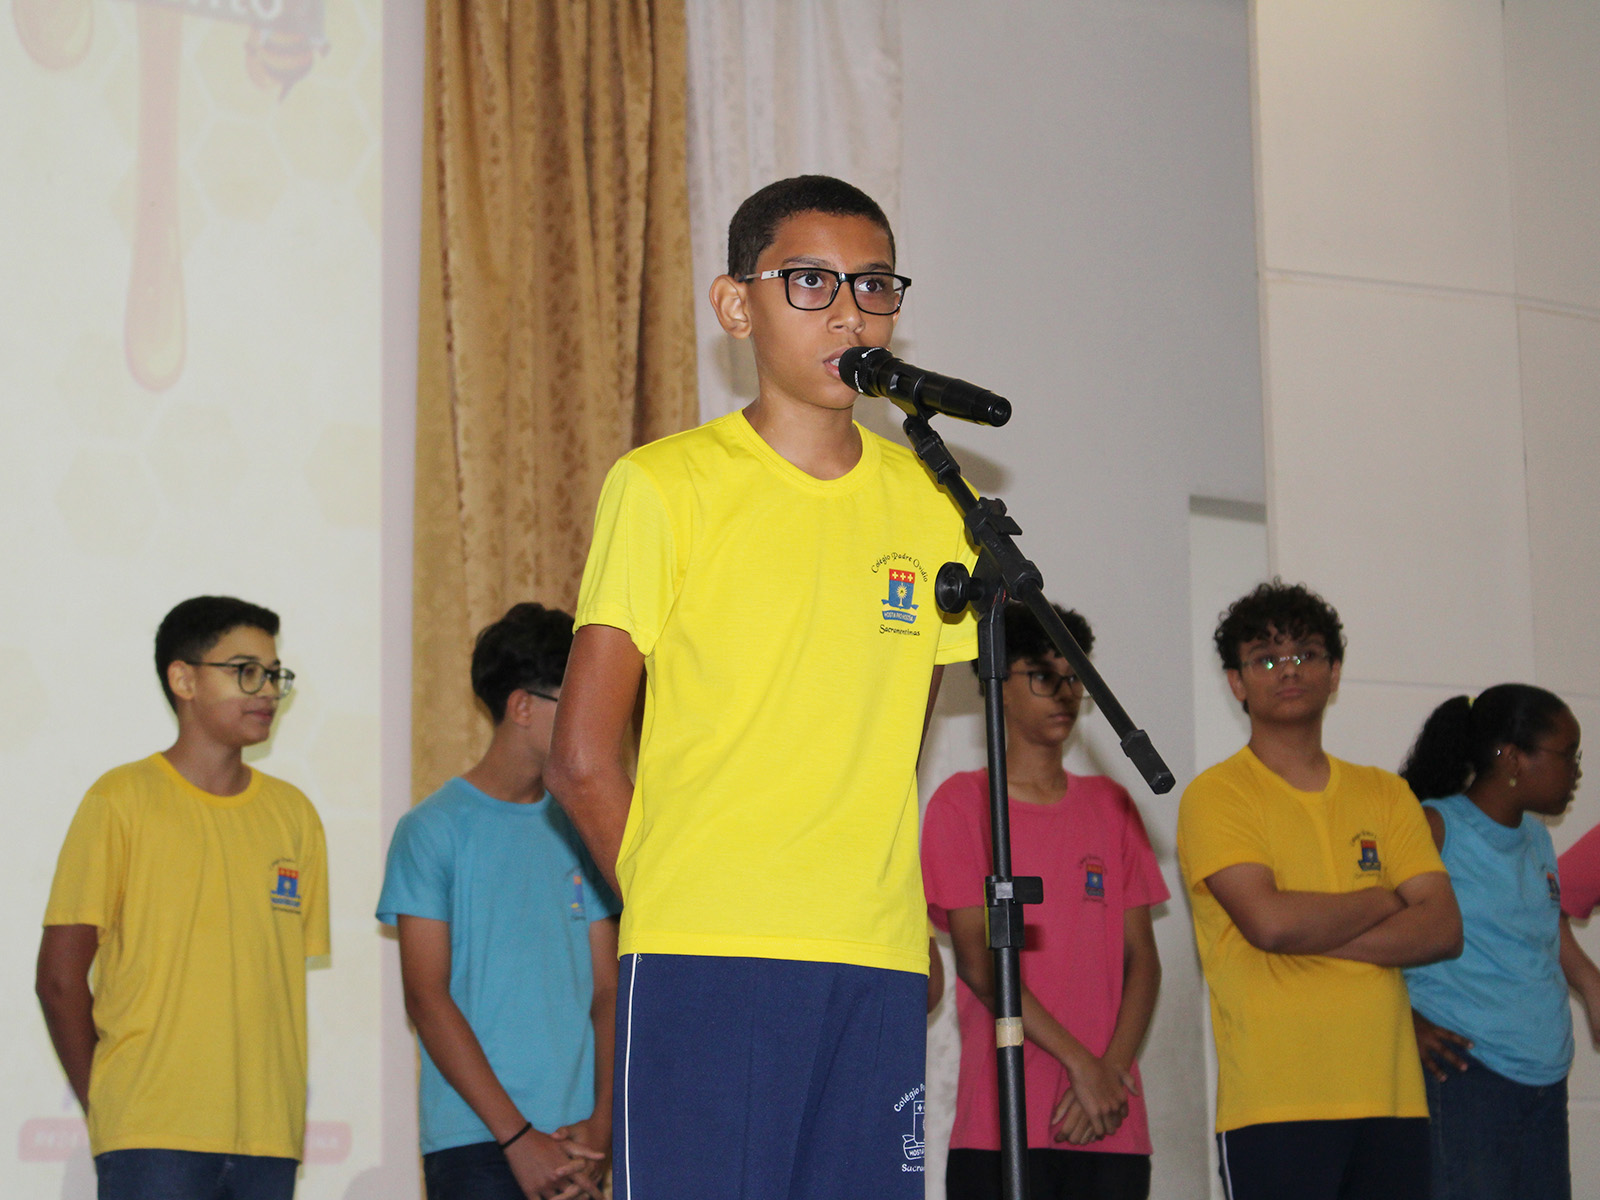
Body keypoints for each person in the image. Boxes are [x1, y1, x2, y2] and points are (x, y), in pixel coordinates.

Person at [547, 174, 977, 1200]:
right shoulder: (664, 485)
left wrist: (887, 915)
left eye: (874, 285)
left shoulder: (933, 506)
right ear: (736, 305)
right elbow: (581, 758)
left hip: (874, 954)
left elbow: (898, 740)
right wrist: (682, 906)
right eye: (811, 281)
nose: (849, 311)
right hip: (707, 950)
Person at [1176, 580, 1462, 1200]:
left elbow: (1443, 929)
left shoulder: (1386, 793)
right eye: (1266, 659)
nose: (1288, 670)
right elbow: (1271, 924)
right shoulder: (1217, 796)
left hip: (1392, 1100)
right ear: (1236, 682)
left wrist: (1309, 930)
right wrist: (1386, 899)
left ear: (1333, 673)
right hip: (1275, 1106)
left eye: (1306, 654)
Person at [36, 596, 328, 1200]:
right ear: (183, 679)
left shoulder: (294, 815)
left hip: (268, 1140)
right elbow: (59, 980)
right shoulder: (120, 800)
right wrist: (109, 1105)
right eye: (246, 671)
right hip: (151, 1138)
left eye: (275, 675)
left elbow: (268, 984)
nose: (267, 691)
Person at [923, 601, 1165, 1200]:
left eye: (1072, 676)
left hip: (1110, 1119)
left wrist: (1108, 1074)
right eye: (1041, 674)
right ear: (998, 684)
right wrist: (1082, 1065)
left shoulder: (1112, 804)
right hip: (1000, 1124)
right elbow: (979, 964)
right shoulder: (962, 804)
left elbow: (1144, 961)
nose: (1063, 692)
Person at [377, 603, 620, 1200]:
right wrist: (517, 1138)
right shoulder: (431, 830)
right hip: (476, 1141)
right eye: (576, 703)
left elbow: (608, 990)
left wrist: (603, 1123)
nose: (593, 723)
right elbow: (426, 997)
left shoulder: (583, 829)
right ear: (522, 707)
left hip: (578, 1139)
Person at [1399, 684, 1599, 1200]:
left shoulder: (1537, 837)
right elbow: (1368, 931)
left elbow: (1546, 927)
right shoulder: (1435, 827)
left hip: (1543, 1080)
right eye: (1567, 756)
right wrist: (1404, 1019)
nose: (1576, 772)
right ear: (1512, 757)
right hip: (1469, 1075)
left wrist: (1591, 985)